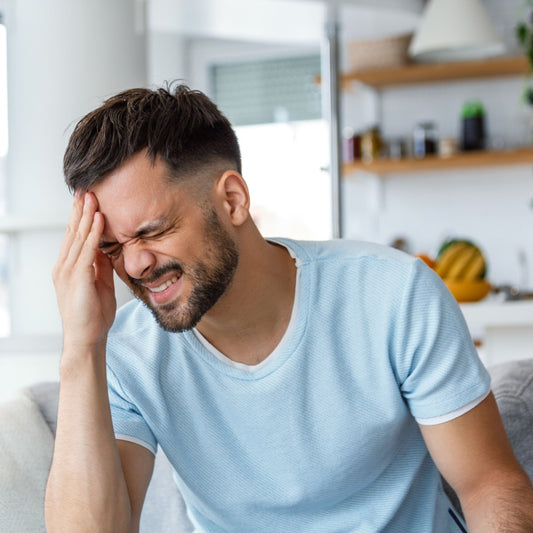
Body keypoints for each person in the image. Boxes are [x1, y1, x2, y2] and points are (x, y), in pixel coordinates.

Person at [45, 84, 533, 533]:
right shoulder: (125, 353)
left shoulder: (393, 295)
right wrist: (80, 346)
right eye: (111, 247)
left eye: (152, 231)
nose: (134, 264)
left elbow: (490, 485)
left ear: (233, 200)